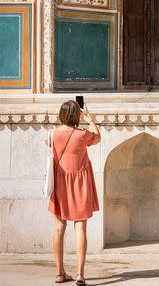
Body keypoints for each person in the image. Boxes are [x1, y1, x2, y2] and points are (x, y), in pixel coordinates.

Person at [46, 100, 101, 285]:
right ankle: (80, 275)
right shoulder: (82, 134)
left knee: (59, 228)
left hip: (60, 185)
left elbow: (50, 145)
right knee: (80, 228)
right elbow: (98, 137)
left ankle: (60, 273)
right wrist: (89, 117)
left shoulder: (52, 134)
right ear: (76, 115)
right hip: (79, 185)